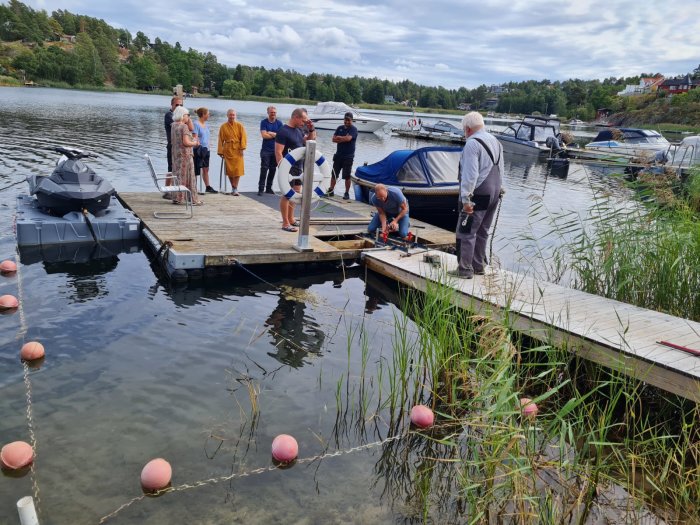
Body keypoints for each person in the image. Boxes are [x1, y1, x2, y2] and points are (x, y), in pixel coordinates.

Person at [451, 111, 504, 279]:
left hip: (479, 193)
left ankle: (465, 270)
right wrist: (500, 189)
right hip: (495, 192)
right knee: (483, 230)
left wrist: (466, 199)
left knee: (467, 230)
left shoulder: (472, 144)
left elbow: (470, 175)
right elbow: (501, 169)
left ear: (467, 129)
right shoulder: (496, 142)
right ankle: (478, 266)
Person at [274, 108, 316, 232]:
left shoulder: (299, 129)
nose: (304, 123)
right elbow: (278, 152)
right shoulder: (283, 131)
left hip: (299, 167)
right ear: (296, 117)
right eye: (303, 120)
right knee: (287, 195)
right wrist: (283, 170)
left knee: (296, 194)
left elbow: (310, 141)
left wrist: (311, 129)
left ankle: (291, 219)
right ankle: (285, 223)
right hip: (288, 168)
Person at [170, 106, 203, 206]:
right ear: (182, 115)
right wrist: (195, 143)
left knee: (178, 176)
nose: (188, 117)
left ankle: (177, 197)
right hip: (185, 155)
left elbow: (190, 130)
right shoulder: (183, 126)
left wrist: (188, 120)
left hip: (176, 155)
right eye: (187, 115)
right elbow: (186, 142)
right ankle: (193, 199)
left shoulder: (173, 125)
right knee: (189, 177)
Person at [217, 108, 247, 196]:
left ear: (235, 116)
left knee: (238, 170)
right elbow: (220, 139)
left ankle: (235, 188)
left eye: (233, 115)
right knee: (229, 170)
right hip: (228, 149)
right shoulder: (223, 126)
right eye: (230, 115)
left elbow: (244, 138)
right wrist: (220, 151)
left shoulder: (240, 126)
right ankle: (234, 187)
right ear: (227, 116)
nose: (232, 116)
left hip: (238, 150)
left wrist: (242, 148)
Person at [328, 111, 358, 200]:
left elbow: (349, 139)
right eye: (345, 120)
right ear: (344, 119)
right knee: (334, 174)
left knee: (347, 176)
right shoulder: (339, 128)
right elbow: (333, 139)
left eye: (349, 120)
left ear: (351, 120)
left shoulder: (353, 129)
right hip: (338, 156)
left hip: (348, 157)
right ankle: (331, 190)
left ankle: (346, 193)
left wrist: (340, 138)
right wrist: (343, 138)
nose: (347, 122)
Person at [258, 106, 283, 196]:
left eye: (274, 112)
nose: (273, 114)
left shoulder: (279, 123)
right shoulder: (263, 122)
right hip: (265, 150)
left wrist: (271, 133)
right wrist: (275, 135)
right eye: (271, 112)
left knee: (273, 169)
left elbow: (281, 136)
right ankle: (261, 189)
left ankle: (268, 188)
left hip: (276, 150)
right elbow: (264, 135)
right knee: (264, 169)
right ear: (268, 113)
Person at [193, 107, 217, 194]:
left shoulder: (207, 125)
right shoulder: (196, 124)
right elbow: (195, 137)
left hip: (206, 150)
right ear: (203, 115)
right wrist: (197, 143)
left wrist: (209, 145)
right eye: (208, 114)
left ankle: (208, 187)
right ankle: (193, 188)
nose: (209, 115)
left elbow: (206, 137)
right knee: (196, 169)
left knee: (206, 169)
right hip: (198, 150)